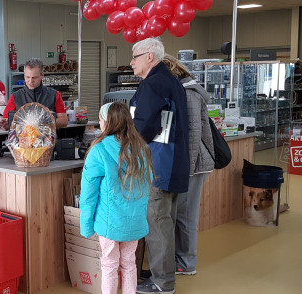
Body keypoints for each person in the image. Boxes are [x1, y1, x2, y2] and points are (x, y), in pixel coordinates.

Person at [130, 38, 189, 294]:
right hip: (173, 162)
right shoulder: (173, 82)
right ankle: (161, 274)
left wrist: (124, 144)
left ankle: (162, 282)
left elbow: (144, 126)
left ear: (150, 57)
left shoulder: (153, 84)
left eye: (135, 56)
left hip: (158, 164)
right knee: (166, 220)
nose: (131, 62)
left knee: (158, 224)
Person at [80, 102, 153, 294]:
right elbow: (148, 182)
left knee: (109, 265)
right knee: (130, 263)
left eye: (101, 119)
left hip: (109, 222)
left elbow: (88, 194)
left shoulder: (99, 150)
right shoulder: (141, 148)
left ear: (108, 122)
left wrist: (86, 226)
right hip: (134, 221)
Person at [161, 54, 215, 276]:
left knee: (185, 215)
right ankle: (180, 258)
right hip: (185, 162)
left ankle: (186, 262)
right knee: (179, 214)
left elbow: (193, 135)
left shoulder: (189, 94)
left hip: (193, 163)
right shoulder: (179, 90)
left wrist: (188, 168)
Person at [0, 58, 68, 130]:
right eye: (27, 77)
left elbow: (64, 121)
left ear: (42, 75)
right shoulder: (15, 97)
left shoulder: (54, 95)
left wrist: (42, 124)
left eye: (34, 78)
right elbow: (6, 122)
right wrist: (6, 126)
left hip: (47, 139)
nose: (30, 81)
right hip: (23, 139)